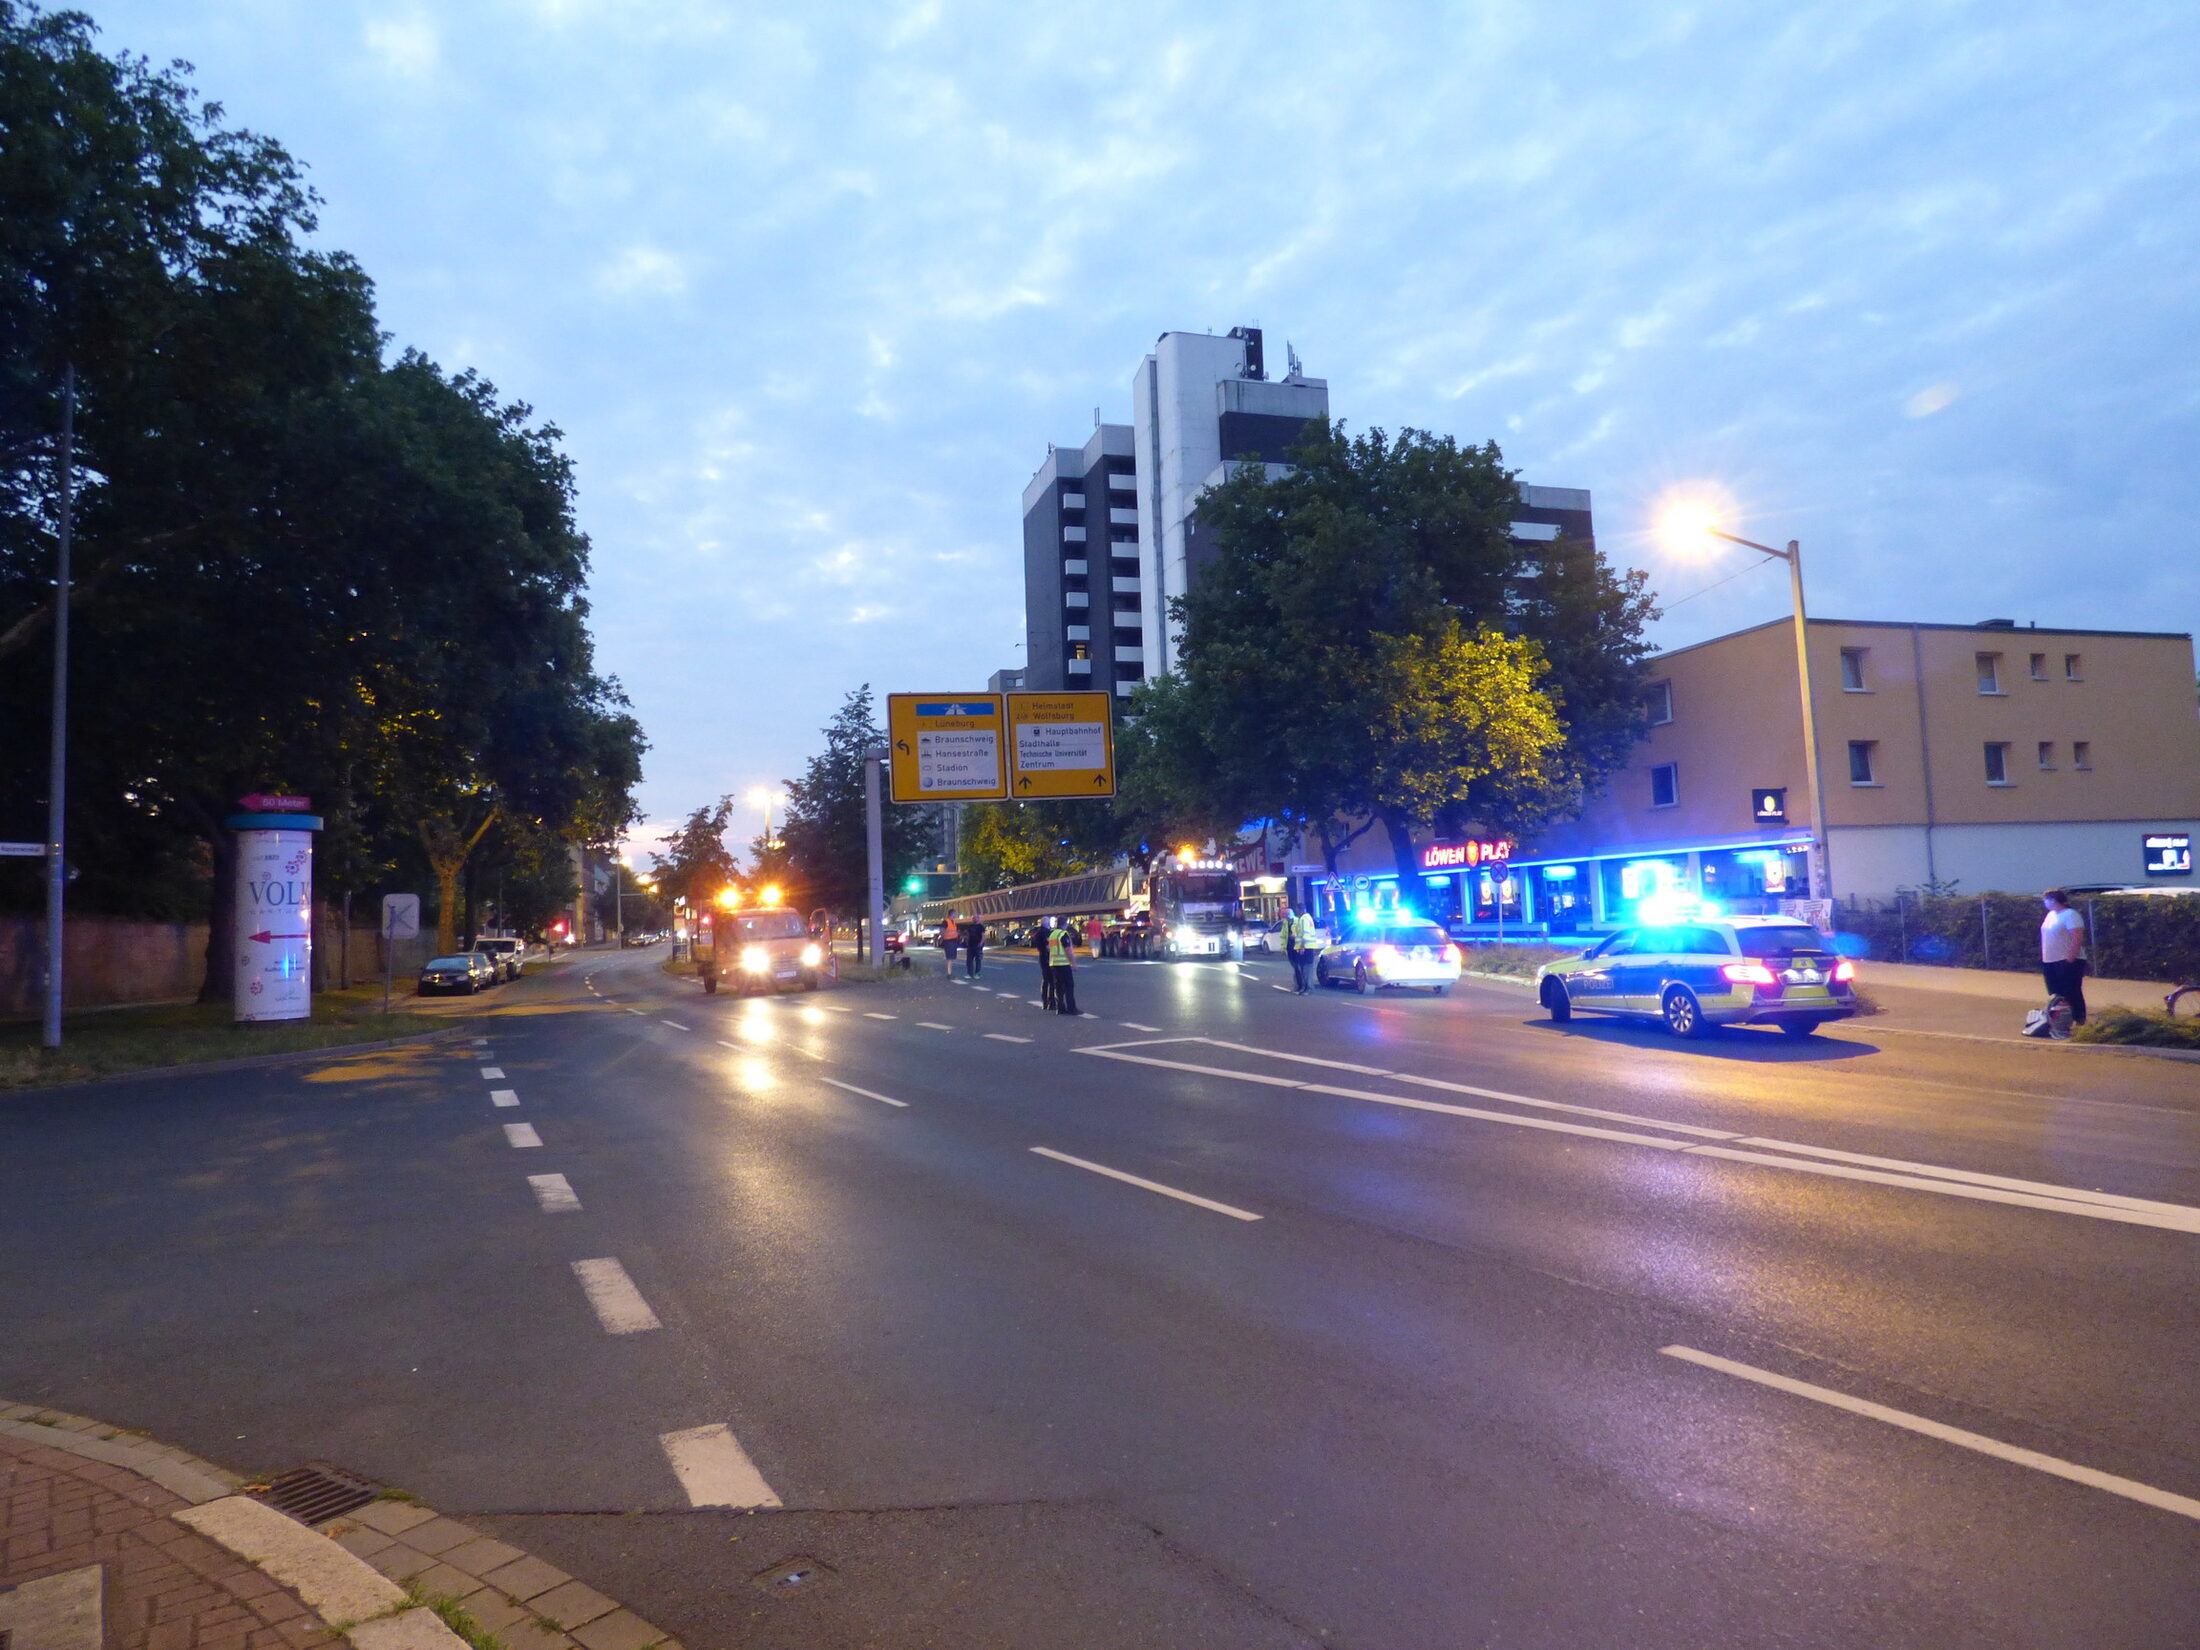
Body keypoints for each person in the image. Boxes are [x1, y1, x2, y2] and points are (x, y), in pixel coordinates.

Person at [2040, 888, 2088, 1025]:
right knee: (2055, 994)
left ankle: (2078, 1020)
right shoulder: (2050, 915)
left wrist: (2070, 959)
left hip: (2067, 960)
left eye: (2046, 899)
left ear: (2054, 900)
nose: (2045, 903)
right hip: (2050, 960)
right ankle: (2059, 1021)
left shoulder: (2070, 915)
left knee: (2071, 992)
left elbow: (2077, 937)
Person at [1047, 917, 1081, 1015]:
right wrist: (1074, 963)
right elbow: (1068, 950)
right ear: (1064, 924)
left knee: (1058, 987)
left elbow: (1049, 948)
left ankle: (1060, 1008)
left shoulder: (1053, 934)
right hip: (1063, 964)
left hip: (1054, 964)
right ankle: (1071, 1008)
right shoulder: (1063, 934)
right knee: (1069, 986)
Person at [1284, 903, 1318, 994]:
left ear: (1300, 910)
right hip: (1308, 947)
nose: (1297, 912)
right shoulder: (1308, 918)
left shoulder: (1303, 919)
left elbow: (1305, 933)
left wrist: (1302, 946)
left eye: (1297, 910)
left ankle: (1308, 988)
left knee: (1306, 969)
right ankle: (1306, 988)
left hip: (1305, 948)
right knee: (1305, 968)